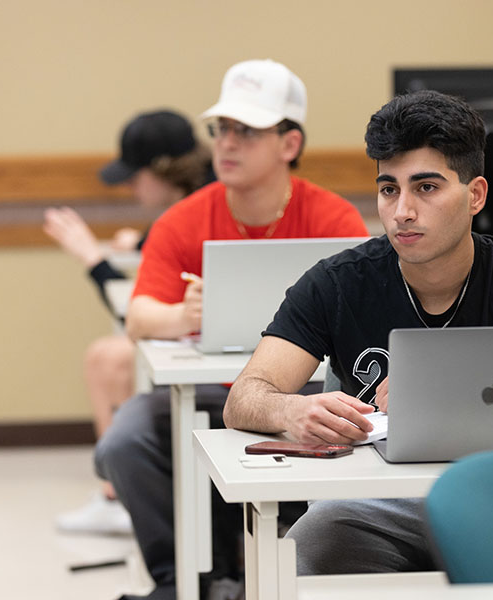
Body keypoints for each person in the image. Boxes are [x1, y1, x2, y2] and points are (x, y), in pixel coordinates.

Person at [223, 90, 493, 576]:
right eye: (389, 189)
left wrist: (444, 396)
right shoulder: (338, 282)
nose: (402, 212)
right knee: (310, 542)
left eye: (427, 188)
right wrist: (291, 409)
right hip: (376, 506)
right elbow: (244, 398)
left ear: (475, 194)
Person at [93, 59, 370, 600]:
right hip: (206, 392)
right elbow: (139, 314)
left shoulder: (333, 219)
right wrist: (182, 316)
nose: (227, 143)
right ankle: (184, 581)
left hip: (306, 390)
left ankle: (290, 571)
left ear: (289, 144)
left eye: (246, 130)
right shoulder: (184, 217)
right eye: (221, 129)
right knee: (127, 438)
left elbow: (368, 316)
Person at [44, 110, 213, 535]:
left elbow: (131, 313)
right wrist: (139, 241)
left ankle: (117, 496)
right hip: (195, 337)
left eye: (135, 177)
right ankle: (116, 492)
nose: (130, 187)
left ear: (163, 171)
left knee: (108, 358)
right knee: (108, 354)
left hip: (203, 347)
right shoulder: (187, 207)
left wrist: (92, 258)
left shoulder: (199, 211)